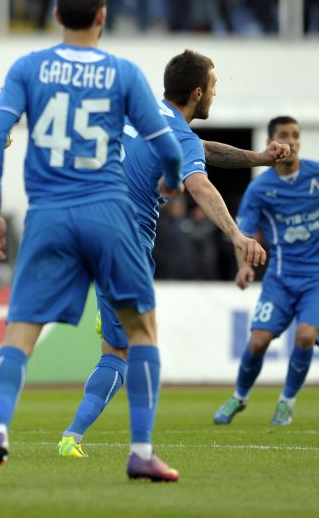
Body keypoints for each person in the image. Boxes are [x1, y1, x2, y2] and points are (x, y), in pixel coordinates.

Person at [0, 0, 185, 487]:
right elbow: (170, 147)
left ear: (57, 16)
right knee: (139, 333)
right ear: (103, 17)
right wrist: (172, 182)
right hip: (109, 215)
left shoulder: (27, 68)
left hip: (47, 215)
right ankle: (141, 451)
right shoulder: (124, 73)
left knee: (19, 334)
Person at [57, 50, 283, 459]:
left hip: (88, 227)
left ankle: (106, 317)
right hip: (125, 246)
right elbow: (199, 183)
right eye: (213, 87)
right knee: (123, 353)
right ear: (198, 93)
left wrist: (257, 158)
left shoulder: (142, 111)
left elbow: (200, 148)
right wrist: (236, 235)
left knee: (121, 334)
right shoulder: (178, 137)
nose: (215, 94)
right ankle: (73, 437)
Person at [214, 116, 319, 426]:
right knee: (258, 341)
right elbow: (243, 234)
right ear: (272, 143)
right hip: (280, 279)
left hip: (315, 279)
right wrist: (244, 266)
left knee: (305, 336)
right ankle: (240, 396)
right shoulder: (259, 189)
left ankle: (286, 403)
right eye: (284, 135)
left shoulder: (316, 176)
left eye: (296, 135)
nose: (292, 141)